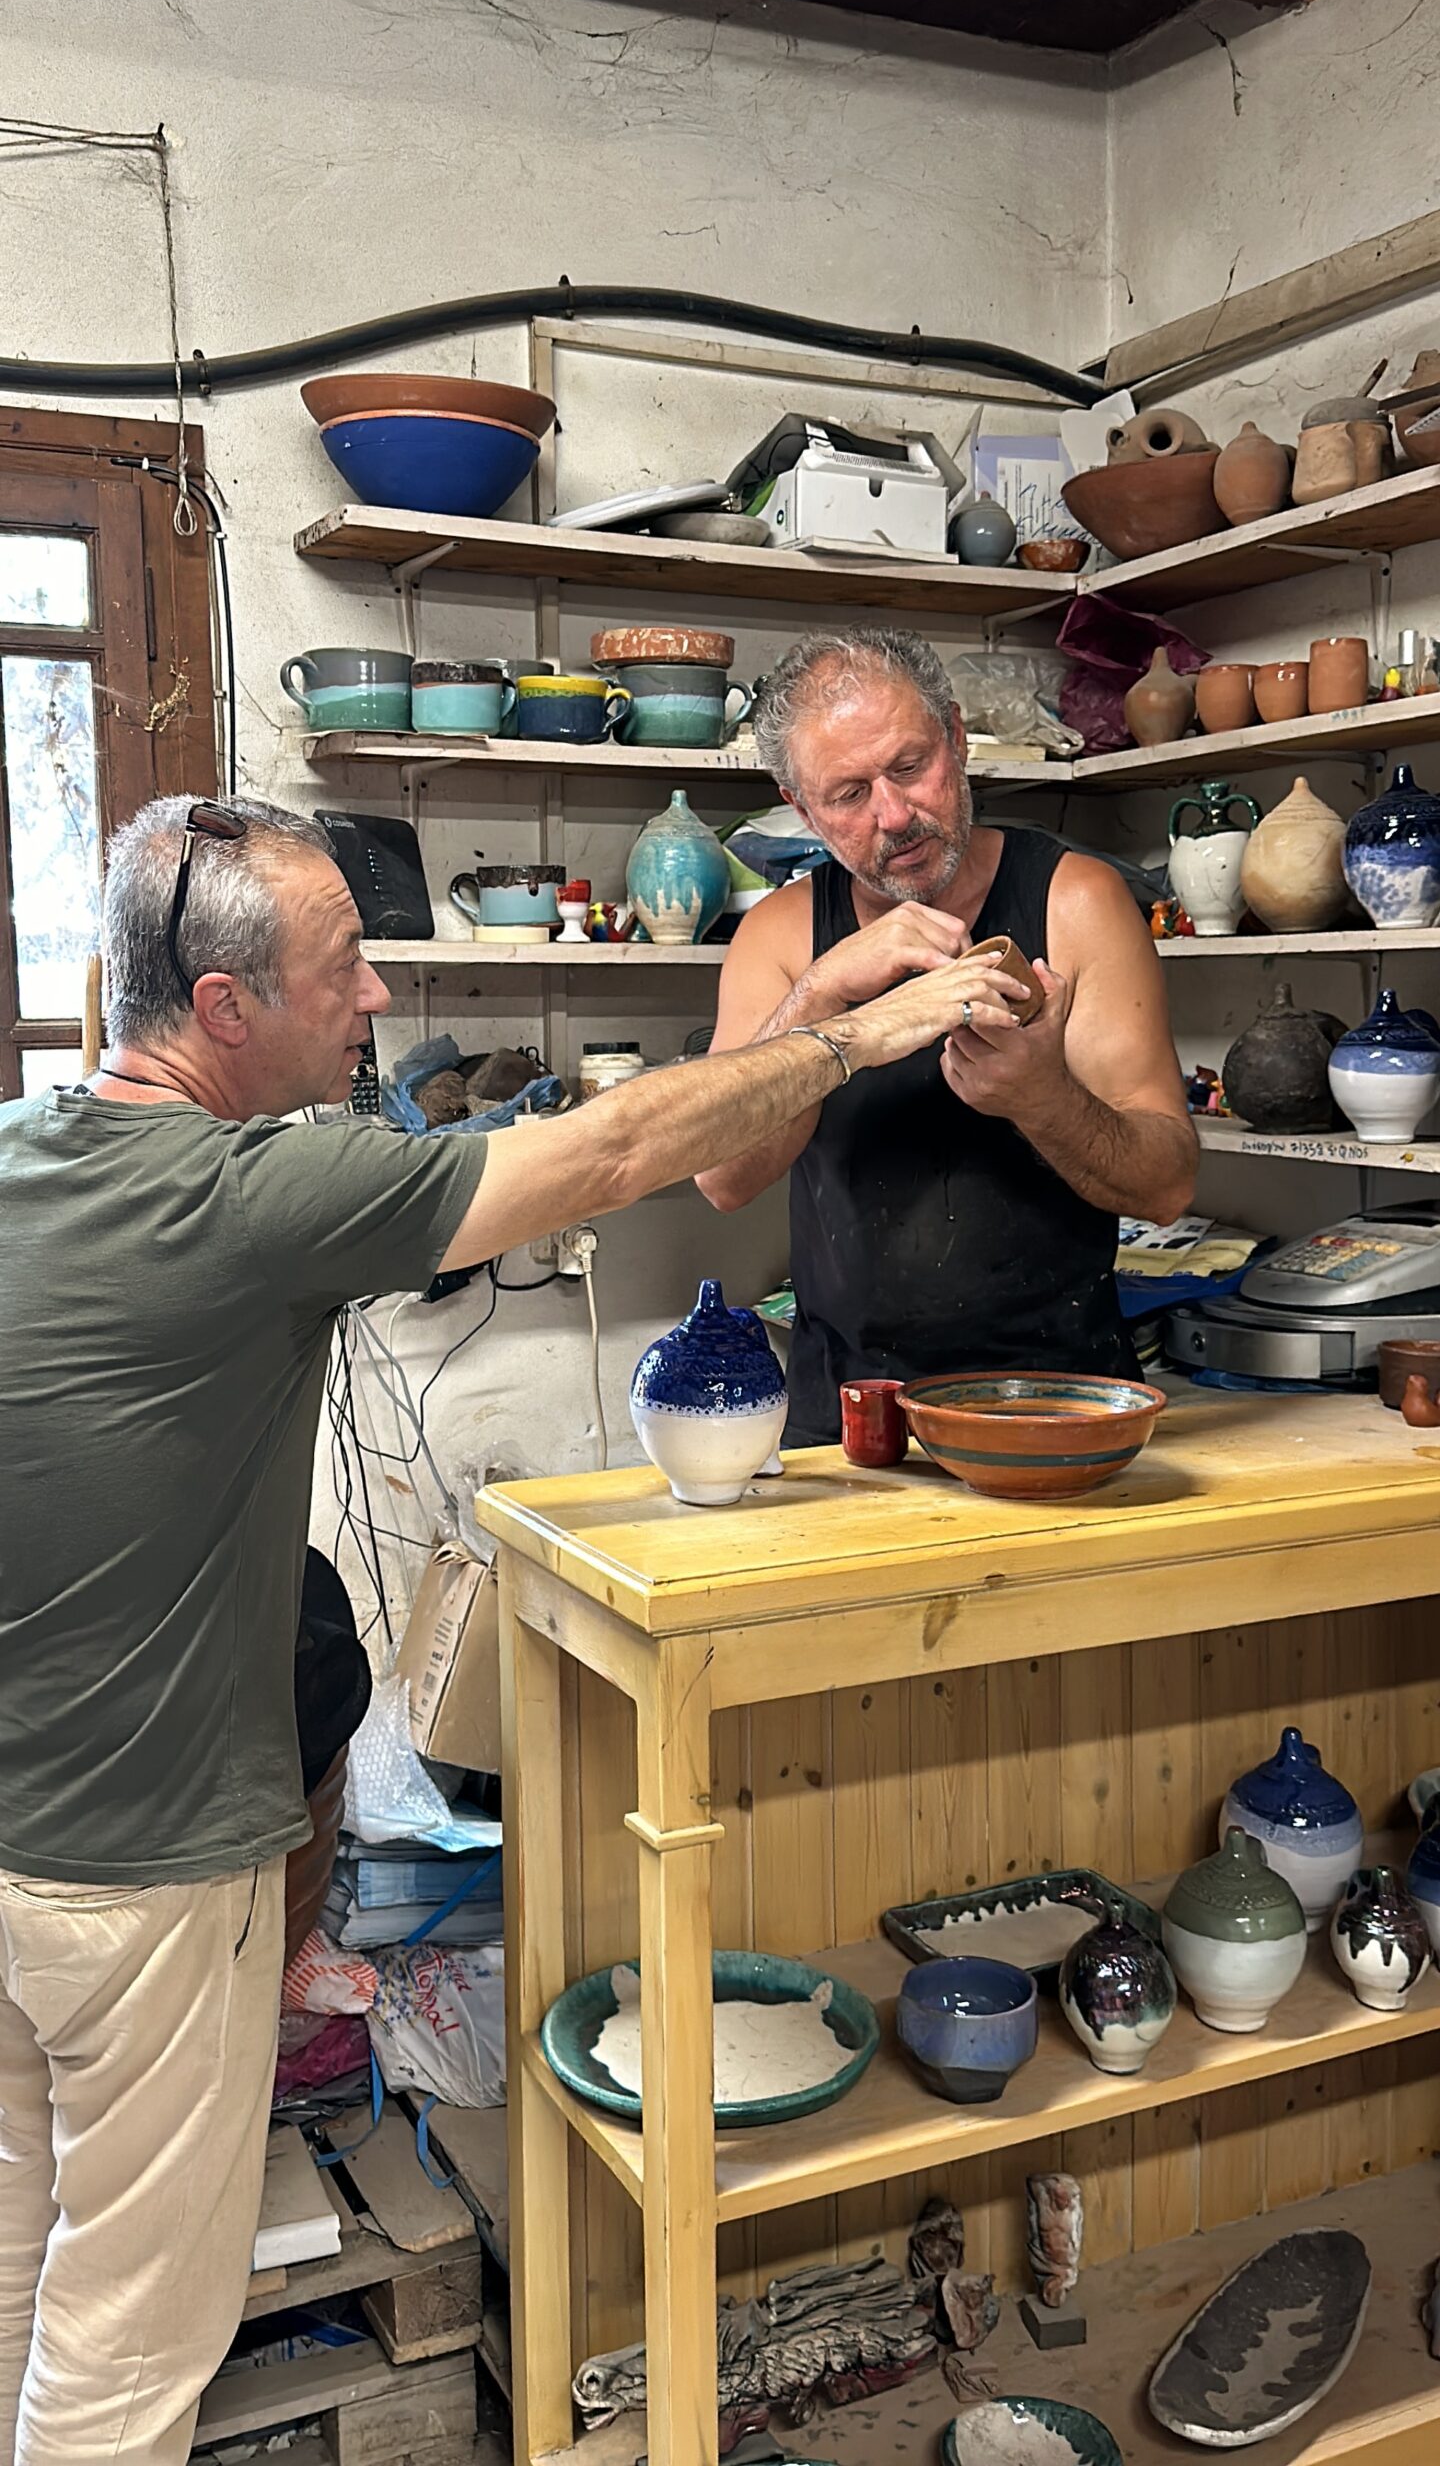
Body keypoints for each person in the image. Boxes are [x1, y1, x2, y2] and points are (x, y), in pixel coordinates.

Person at [0, 792, 1024, 2465]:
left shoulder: (22, 1149)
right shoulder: (250, 1191)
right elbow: (616, 1155)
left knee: (24, 2267)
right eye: (347, 970)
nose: (381, 1001)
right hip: (138, 1875)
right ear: (225, 1011)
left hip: (14, 1858)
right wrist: (864, 1030)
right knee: (127, 2360)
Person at [697, 628, 1197, 1444]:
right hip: (855, 1419)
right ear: (801, 807)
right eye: (849, 795)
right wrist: (826, 999)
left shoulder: (1076, 904)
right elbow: (721, 1177)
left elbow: (1167, 1186)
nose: (894, 815)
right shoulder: (784, 937)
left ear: (957, 739)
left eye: (909, 767)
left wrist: (1043, 1100)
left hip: (1063, 1404)